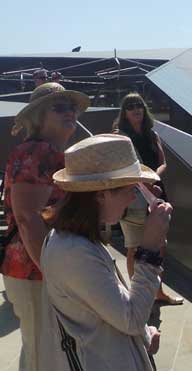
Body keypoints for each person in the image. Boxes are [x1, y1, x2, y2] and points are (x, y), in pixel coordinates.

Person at [39, 134, 172, 371]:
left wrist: (143, 334)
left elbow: (109, 307)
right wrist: (150, 251)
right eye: (129, 189)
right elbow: (130, 318)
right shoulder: (73, 253)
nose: (133, 197)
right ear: (100, 194)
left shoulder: (75, 239)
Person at [1, 82, 89, 371]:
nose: (70, 112)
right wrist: (53, 273)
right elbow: (27, 216)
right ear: (39, 116)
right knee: (44, 353)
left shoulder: (48, 151)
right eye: (60, 107)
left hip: (36, 267)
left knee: (44, 350)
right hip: (35, 269)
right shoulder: (38, 152)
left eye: (72, 107)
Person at [113, 92, 183, 305]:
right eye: (131, 106)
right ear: (124, 112)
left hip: (156, 196)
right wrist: (145, 183)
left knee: (159, 245)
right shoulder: (120, 136)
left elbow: (163, 162)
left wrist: (154, 178)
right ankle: (138, 299)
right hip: (133, 198)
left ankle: (158, 292)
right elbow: (121, 168)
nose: (136, 109)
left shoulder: (152, 135)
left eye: (140, 105)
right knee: (135, 248)